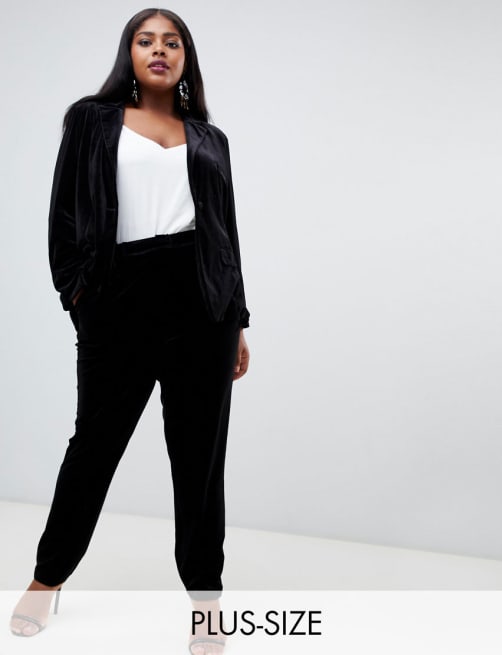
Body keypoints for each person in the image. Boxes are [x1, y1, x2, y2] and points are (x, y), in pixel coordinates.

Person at [9, 8, 250, 654]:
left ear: (186, 59)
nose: (159, 50)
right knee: (94, 447)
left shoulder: (209, 138)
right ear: (130, 54)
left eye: (172, 42)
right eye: (146, 41)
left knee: (200, 461)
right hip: (119, 299)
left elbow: (224, 234)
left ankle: (206, 602)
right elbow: (63, 216)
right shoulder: (91, 120)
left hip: (204, 307)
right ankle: (46, 577)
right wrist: (80, 296)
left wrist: (238, 318)